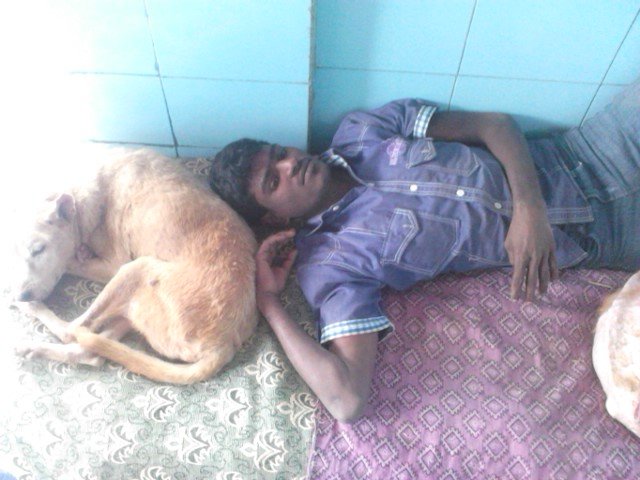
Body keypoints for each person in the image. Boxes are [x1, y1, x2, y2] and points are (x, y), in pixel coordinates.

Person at [209, 82, 639, 423]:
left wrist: (529, 208)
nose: (290, 165)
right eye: (274, 181)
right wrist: (269, 303)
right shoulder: (332, 263)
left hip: (595, 148)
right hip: (609, 234)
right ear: (274, 218)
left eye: (279, 154)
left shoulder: (363, 129)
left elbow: (494, 125)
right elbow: (346, 400)